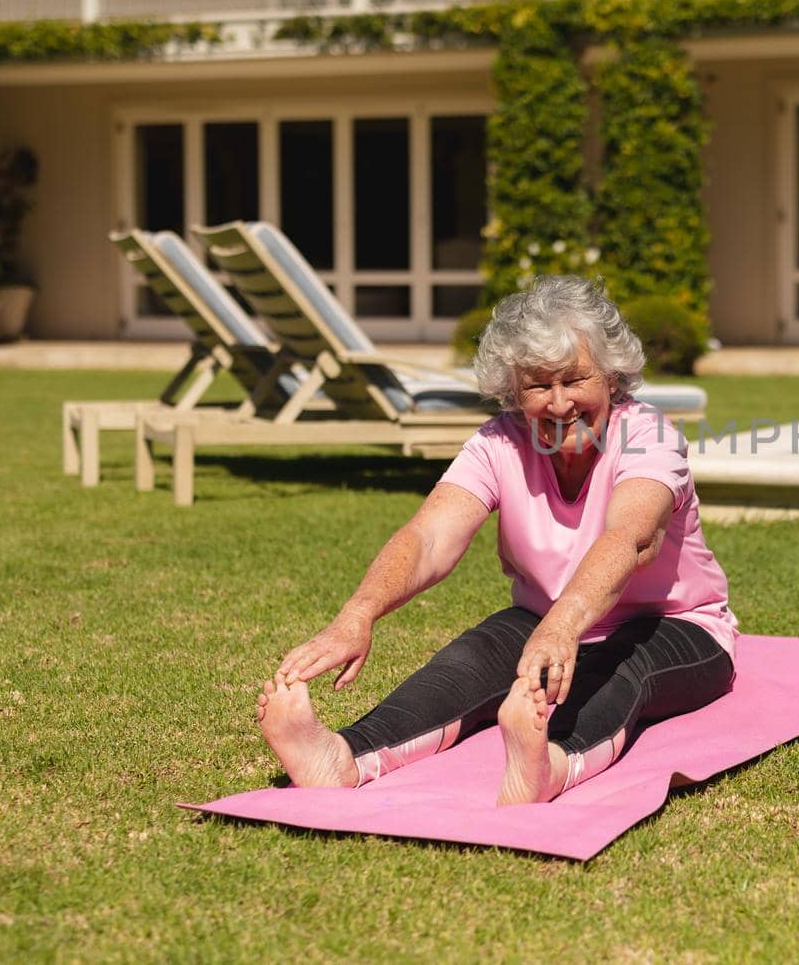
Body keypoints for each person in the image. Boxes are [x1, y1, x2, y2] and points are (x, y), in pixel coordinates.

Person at [255, 275, 737, 804]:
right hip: (545, 615)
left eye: (575, 379)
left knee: (622, 667)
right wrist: (358, 615)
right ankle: (342, 757)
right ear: (513, 392)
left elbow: (630, 537)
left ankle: (551, 763)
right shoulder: (498, 443)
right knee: (470, 658)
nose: (558, 404)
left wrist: (564, 625)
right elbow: (430, 536)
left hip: (674, 625)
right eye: (537, 386)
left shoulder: (648, 435)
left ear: (611, 376)